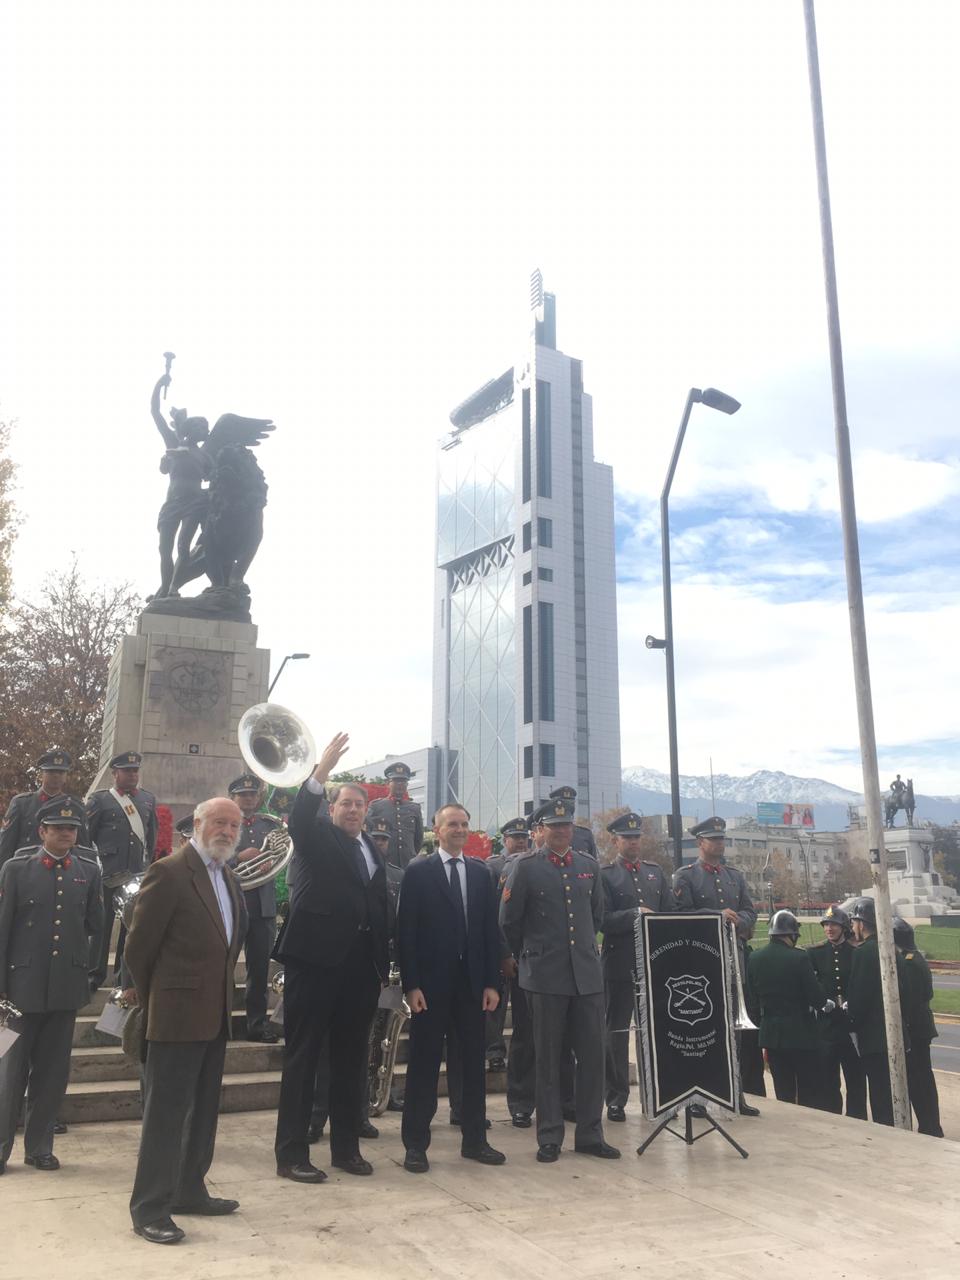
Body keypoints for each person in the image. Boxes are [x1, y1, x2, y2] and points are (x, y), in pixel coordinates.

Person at [125, 796, 246, 1244]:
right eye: (219, 822)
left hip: (215, 1015)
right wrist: (162, 996)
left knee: (203, 1113)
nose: (228, 831)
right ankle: (150, 1208)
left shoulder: (227, 877)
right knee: (166, 1116)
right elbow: (139, 948)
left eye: (234, 825)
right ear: (197, 823)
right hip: (176, 1017)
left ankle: (190, 1191)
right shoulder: (170, 872)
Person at [274, 733, 390, 1182]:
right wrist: (320, 772)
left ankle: (346, 1149)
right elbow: (300, 816)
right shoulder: (316, 835)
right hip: (315, 963)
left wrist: (384, 966)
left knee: (350, 1061)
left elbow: (379, 909)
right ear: (332, 808)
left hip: (360, 972)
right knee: (303, 1059)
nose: (353, 810)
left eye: (360, 805)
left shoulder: (371, 852)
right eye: (345, 804)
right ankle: (291, 1155)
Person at [500, 799, 618, 1164]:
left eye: (567, 825)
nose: (562, 831)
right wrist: (530, 956)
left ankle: (590, 1133)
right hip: (545, 976)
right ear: (541, 830)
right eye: (555, 826)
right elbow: (508, 922)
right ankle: (549, 1134)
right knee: (548, 1060)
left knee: (593, 1058)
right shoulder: (525, 867)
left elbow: (596, 915)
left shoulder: (587, 866)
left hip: (585, 976)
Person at [397, 803, 504, 1173]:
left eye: (464, 824)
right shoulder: (418, 872)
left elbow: (491, 932)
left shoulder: (480, 873)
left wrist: (492, 982)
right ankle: (415, 1145)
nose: (459, 830)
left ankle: (475, 1140)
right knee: (424, 1066)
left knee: (473, 1066)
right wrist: (411, 985)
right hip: (430, 987)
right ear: (436, 829)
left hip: (473, 988)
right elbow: (405, 933)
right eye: (452, 825)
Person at [0, 800, 103, 1173]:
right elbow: (3, 929)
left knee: (52, 1074)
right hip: (19, 991)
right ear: (42, 831)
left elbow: (96, 926)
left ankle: (39, 1146)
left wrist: (90, 976)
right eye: (58, 828)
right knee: (9, 1073)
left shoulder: (87, 872)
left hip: (64, 989)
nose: (66, 834)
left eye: (72, 829)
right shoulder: (15, 869)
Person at [672, 815, 760, 1116]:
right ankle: (698, 1097)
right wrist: (716, 915)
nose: (720, 844)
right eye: (714, 839)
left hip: (732, 957)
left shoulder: (735, 877)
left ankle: (735, 1093)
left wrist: (740, 921)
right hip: (701, 963)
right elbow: (680, 916)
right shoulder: (686, 876)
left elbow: (750, 910)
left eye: (722, 839)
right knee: (701, 1031)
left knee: (734, 1031)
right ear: (701, 843)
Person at [600, 811, 673, 1122]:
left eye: (636, 837)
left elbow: (670, 913)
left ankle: (657, 1093)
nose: (633, 842)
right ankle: (616, 1098)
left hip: (653, 966)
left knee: (656, 1032)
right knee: (616, 1034)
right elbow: (601, 920)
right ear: (616, 841)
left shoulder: (655, 873)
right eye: (627, 837)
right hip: (619, 966)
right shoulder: (605, 875)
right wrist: (634, 914)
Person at [86, 751, 158, 993]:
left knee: (130, 929)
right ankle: (94, 976)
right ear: (115, 773)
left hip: (135, 876)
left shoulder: (147, 800)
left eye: (135, 771)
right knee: (101, 927)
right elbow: (87, 839)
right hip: (107, 875)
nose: (132, 775)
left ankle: (122, 977)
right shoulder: (100, 800)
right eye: (127, 771)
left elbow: (150, 839)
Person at [226, 773, 283, 1044]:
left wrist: (268, 864)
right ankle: (219, 1023)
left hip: (263, 906)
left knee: (259, 970)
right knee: (222, 967)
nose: (248, 799)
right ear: (233, 797)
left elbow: (281, 853)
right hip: (233, 904)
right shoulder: (225, 824)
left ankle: (257, 1025)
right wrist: (238, 857)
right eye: (242, 794)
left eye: (252, 794)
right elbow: (210, 856)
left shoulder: (269, 825)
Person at [746, 910, 824, 1106]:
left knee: (783, 1088)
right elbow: (816, 998)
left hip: (771, 1034)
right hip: (801, 1034)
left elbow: (752, 999)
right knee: (807, 1088)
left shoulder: (755, 958)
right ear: (791, 935)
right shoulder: (799, 958)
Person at [846, 897, 909, 1126]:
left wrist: (850, 1019)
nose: (852, 928)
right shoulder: (892, 949)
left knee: (881, 1096)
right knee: (899, 1094)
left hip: (874, 1037)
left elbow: (859, 996)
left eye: (854, 923)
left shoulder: (863, 953)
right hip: (897, 1034)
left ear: (861, 924)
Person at [807, 905, 867, 1119]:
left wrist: (854, 1002)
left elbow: (862, 983)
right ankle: (831, 1117)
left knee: (856, 1080)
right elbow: (810, 984)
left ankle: (857, 1118)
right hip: (827, 1026)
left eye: (833, 924)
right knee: (828, 1079)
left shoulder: (856, 953)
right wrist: (821, 1002)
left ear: (843, 927)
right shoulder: (814, 953)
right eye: (826, 924)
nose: (829, 928)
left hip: (850, 1027)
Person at [483, 817, 530, 1074]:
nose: (521, 841)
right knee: (496, 1004)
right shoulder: (492, 867)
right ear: (505, 840)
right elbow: (491, 910)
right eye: (516, 837)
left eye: (524, 837)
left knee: (524, 1005)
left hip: (527, 947)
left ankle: (520, 1056)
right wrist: (502, 950)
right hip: (500, 944)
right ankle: (494, 1052)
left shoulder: (533, 863)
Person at [893, 916, 942, 1137]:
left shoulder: (909, 962)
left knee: (919, 1080)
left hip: (915, 1029)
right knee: (922, 1077)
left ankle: (929, 1126)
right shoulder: (915, 958)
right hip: (921, 1026)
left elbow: (910, 1000)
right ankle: (930, 1124)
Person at [0, 749, 90, 868]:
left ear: (66, 776)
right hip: (25, 870)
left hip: (63, 872)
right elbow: (6, 845)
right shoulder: (22, 803)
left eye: (60, 772)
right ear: (41, 774)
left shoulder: (76, 806)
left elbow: (83, 847)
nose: (56, 775)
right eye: (51, 771)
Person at [365, 762, 424, 868]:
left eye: (403, 781)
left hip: (408, 864)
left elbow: (418, 839)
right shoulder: (376, 806)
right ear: (388, 783)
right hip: (385, 863)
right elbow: (368, 834)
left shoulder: (414, 808)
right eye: (396, 781)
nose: (400, 784)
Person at [547, 786, 598, 859]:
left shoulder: (585, 834)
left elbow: (593, 864)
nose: (569, 807)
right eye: (565, 804)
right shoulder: (545, 833)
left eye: (571, 803)